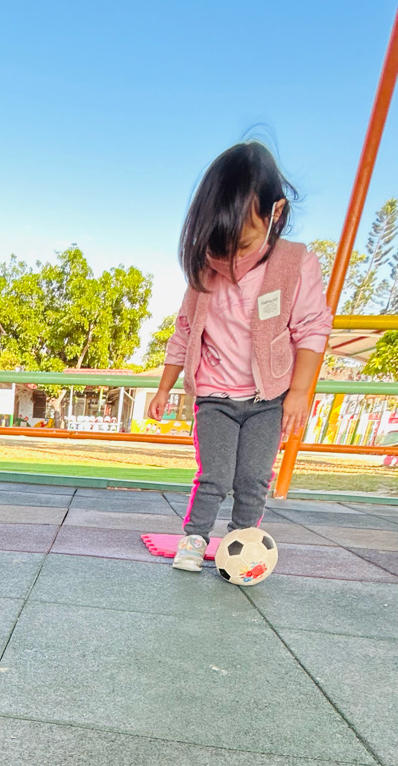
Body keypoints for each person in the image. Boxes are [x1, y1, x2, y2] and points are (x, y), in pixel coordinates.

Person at [150, 141, 332, 572]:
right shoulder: (204, 270)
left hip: (268, 398)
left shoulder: (295, 264)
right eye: (222, 243)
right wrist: (164, 387)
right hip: (214, 395)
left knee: (253, 477)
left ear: (275, 213)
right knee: (214, 474)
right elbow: (184, 332)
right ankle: (195, 537)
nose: (231, 257)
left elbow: (312, 328)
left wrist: (300, 391)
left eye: (244, 241)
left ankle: (243, 542)